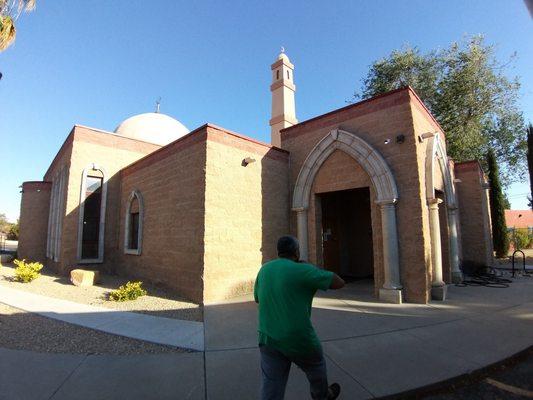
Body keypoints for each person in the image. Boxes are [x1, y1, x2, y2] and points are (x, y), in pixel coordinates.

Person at [254, 235, 345, 400]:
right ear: (296, 252)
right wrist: (311, 269)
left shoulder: (264, 269)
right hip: (299, 340)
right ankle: (323, 395)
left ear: (278, 252)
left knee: (271, 387)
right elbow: (339, 282)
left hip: (268, 338)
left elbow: (257, 298)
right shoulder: (303, 270)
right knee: (316, 367)